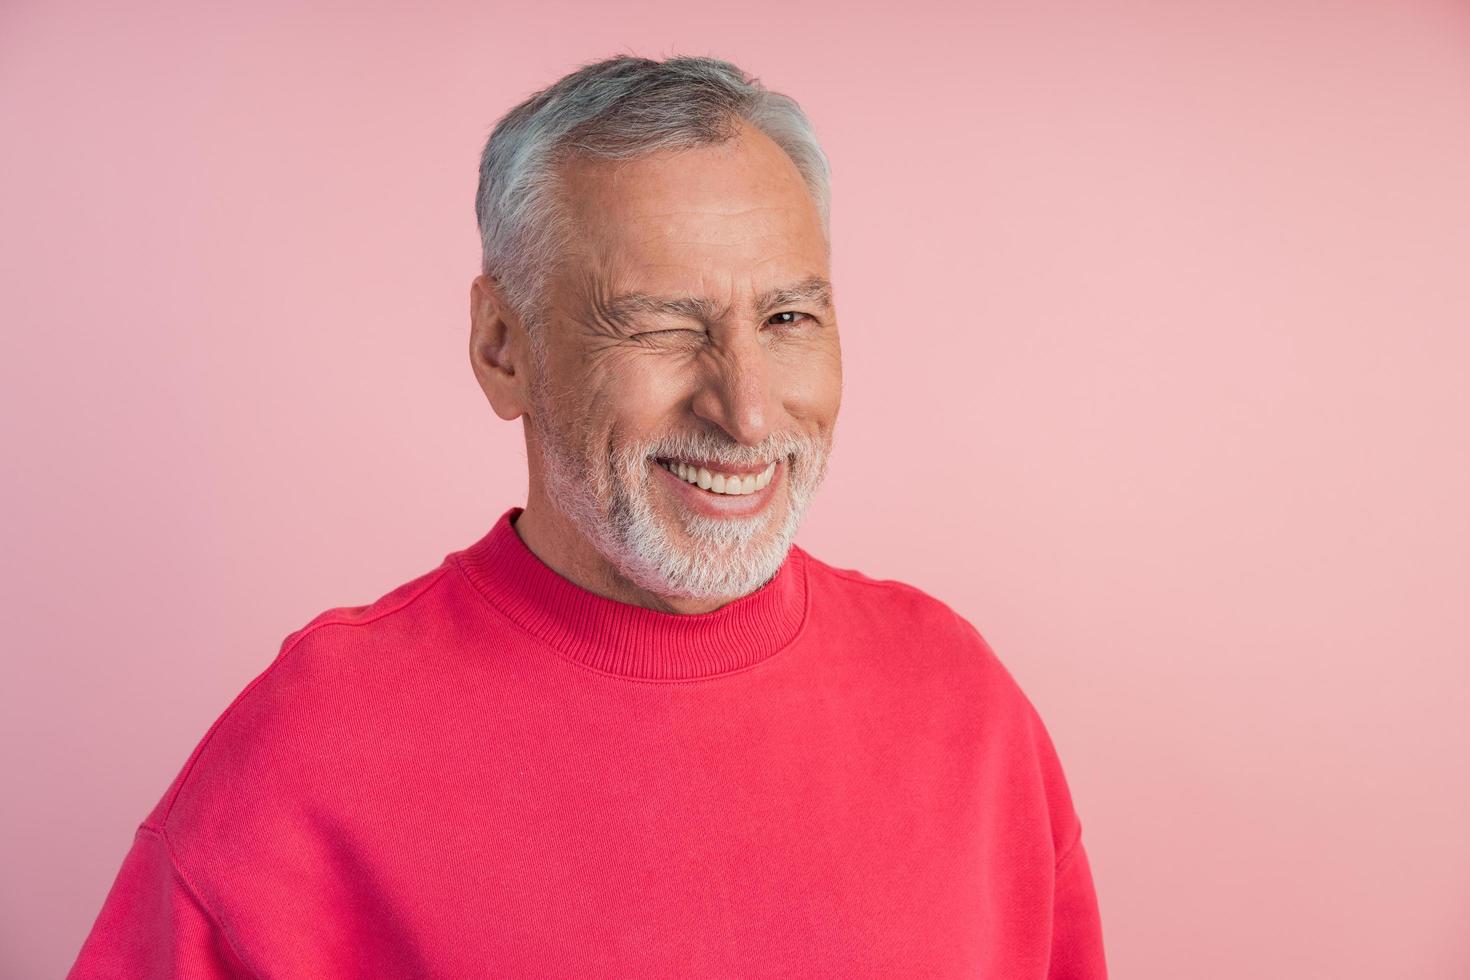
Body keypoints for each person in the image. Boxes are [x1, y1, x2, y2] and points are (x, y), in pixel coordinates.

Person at [68, 54, 1107, 978]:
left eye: (788, 317)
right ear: (501, 346)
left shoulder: (962, 701)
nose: (744, 410)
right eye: (660, 324)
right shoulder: (312, 749)